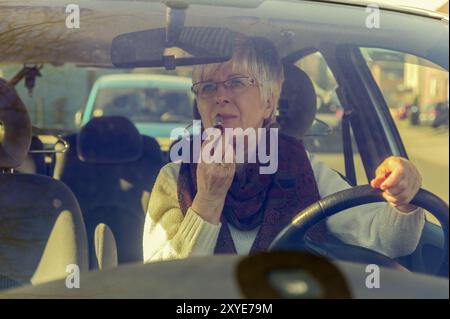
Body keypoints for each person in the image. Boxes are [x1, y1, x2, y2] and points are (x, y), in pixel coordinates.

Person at [143, 36, 425, 263]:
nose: (220, 97)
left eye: (236, 83)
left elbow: (390, 241)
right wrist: (207, 201)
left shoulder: (306, 170)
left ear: (269, 102)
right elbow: (160, 284)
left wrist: (403, 194)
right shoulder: (174, 177)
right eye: (206, 88)